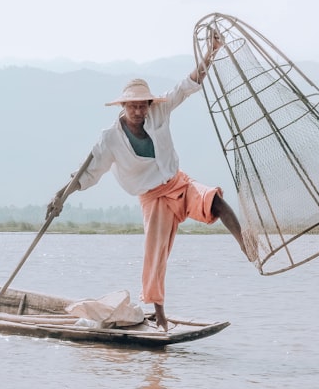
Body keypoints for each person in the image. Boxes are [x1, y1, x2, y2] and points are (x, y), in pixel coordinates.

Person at [48, 32, 254, 331]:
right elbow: (88, 172)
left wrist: (211, 51)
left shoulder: (159, 111)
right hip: (152, 196)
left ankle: (246, 244)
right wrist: (60, 197)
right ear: (124, 106)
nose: (139, 111)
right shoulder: (109, 139)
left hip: (178, 183)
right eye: (133, 106)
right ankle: (159, 315)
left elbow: (187, 86)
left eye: (143, 105)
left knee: (216, 201)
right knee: (156, 254)